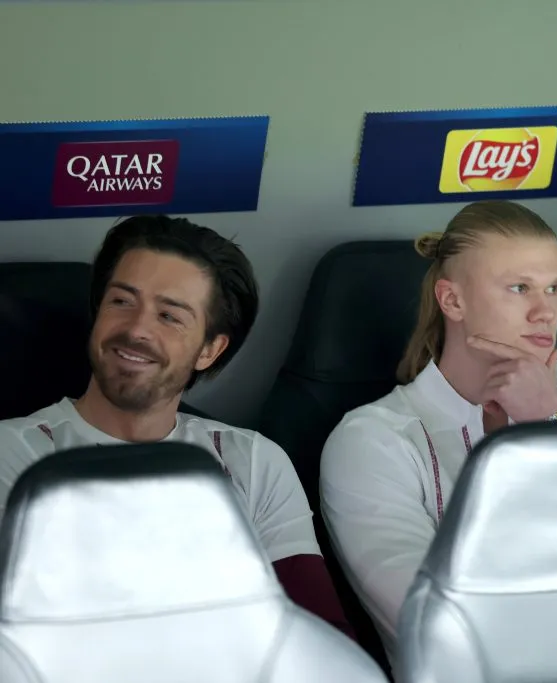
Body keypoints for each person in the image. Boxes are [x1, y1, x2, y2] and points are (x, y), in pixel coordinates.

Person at [319, 200, 557, 673]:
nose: (545, 311)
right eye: (519, 288)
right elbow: (435, 624)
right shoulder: (375, 441)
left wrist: (550, 424)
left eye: (554, 288)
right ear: (452, 301)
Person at [0, 215, 355, 640]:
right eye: (121, 302)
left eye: (169, 316)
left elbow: (322, 637)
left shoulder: (254, 463)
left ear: (209, 349)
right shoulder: (12, 454)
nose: (136, 329)